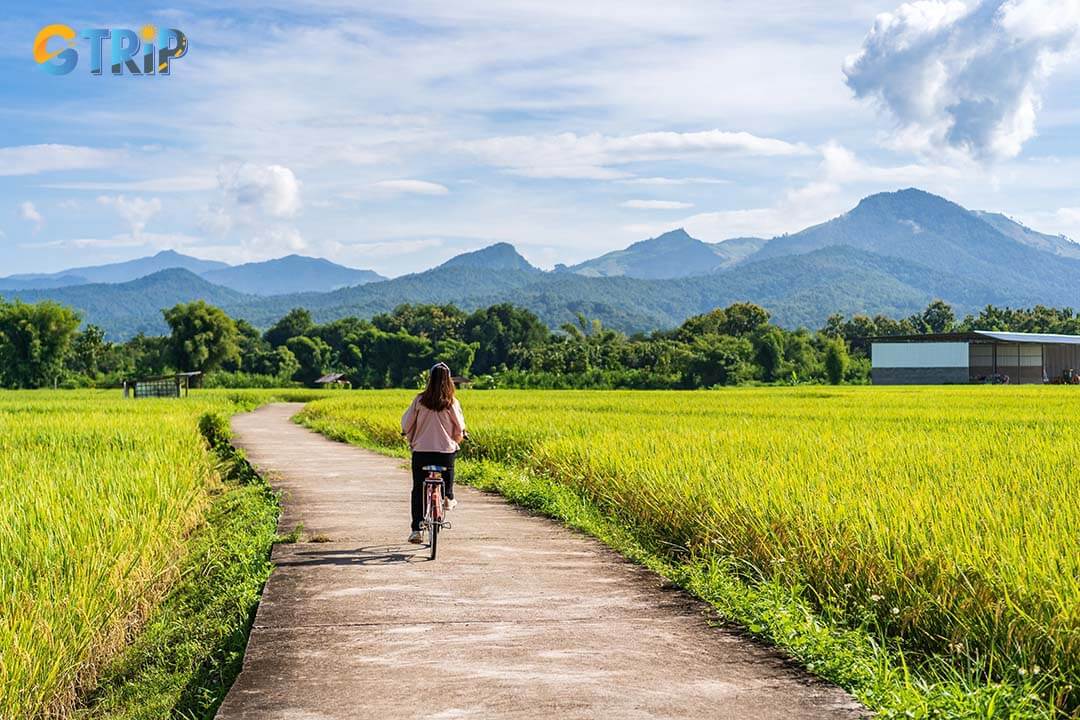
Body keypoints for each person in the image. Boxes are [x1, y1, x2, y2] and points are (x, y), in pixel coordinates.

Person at [401, 362, 466, 544]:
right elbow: (459, 427)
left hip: (421, 452)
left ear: (430, 379)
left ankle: (416, 530)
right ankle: (448, 496)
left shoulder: (420, 400)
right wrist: (458, 437)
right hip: (444, 452)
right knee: (449, 464)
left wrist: (408, 433)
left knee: (418, 489)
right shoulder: (451, 402)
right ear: (449, 380)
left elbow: (406, 424)